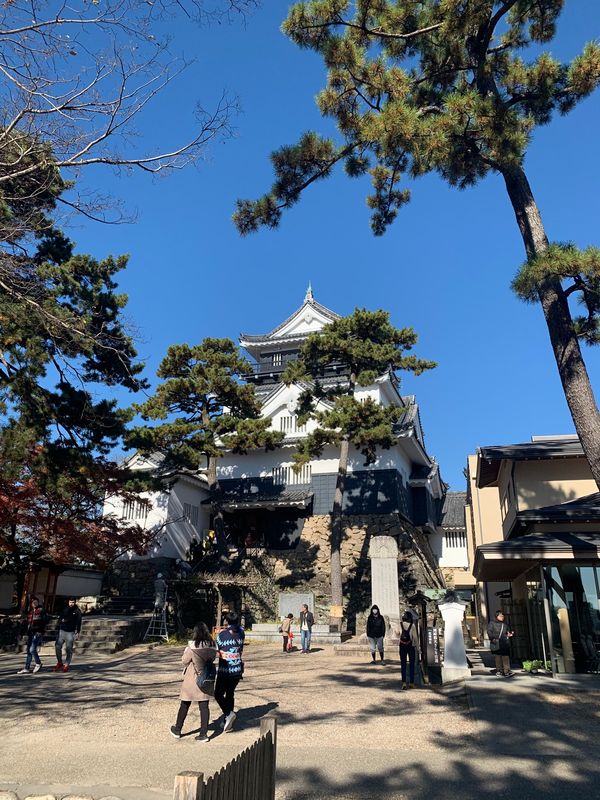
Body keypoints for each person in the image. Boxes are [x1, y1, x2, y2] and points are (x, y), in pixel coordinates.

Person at [170, 622, 217, 743]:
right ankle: (203, 733)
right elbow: (212, 659)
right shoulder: (212, 645)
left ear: (195, 632)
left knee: (185, 704)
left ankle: (178, 729)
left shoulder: (192, 646)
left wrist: (186, 651)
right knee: (204, 706)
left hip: (192, 679)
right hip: (205, 678)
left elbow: (185, 661)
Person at [215, 611, 245, 732]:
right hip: (237, 669)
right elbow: (241, 649)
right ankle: (228, 722)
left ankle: (228, 714)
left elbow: (217, 650)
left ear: (226, 621)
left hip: (225, 669)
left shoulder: (222, 635)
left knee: (218, 694)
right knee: (230, 693)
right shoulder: (242, 633)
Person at [17, 596, 49, 674]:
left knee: (32, 649)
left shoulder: (41, 610)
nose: (34, 603)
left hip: (38, 632)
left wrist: (40, 630)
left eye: (36, 602)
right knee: (28, 651)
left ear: (38, 602)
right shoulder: (30, 612)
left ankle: (38, 663)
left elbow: (46, 621)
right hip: (31, 632)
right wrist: (21, 633)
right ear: (31, 604)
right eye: (33, 602)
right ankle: (26, 668)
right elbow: (26, 623)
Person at [54, 597, 82, 673]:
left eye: (73, 602)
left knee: (69, 649)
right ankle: (59, 662)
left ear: (75, 602)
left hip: (71, 632)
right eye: (70, 602)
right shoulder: (65, 609)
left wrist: (77, 632)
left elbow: (79, 622)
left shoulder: (77, 611)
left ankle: (66, 664)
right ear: (68, 602)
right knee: (57, 646)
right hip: (62, 631)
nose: (71, 603)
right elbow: (60, 618)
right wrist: (61, 622)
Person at [487, 610, 515, 678]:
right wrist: (492, 639)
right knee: (498, 657)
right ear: (497, 616)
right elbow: (489, 632)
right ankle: (499, 671)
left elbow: (507, 632)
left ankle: (507, 671)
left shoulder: (504, 624)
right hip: (497, 642)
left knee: (505, 657)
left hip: (504, 642)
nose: (502, 617)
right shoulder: (492, 623)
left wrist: (509, 634)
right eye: (501, 616)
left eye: (503, 616)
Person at [399, 611, 419, 689]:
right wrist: (418, 649)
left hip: (402, 645)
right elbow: (415, 638)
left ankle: (403, 683)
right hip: (411, 646)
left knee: (403, 664)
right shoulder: (412, 625)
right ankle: (411, 683)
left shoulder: (400, 624)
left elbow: (398, 633)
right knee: (411, 665)